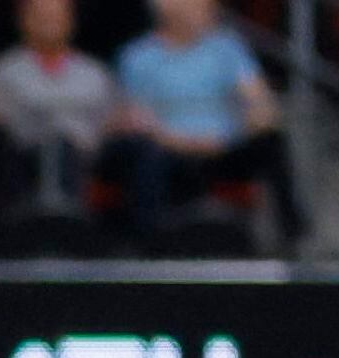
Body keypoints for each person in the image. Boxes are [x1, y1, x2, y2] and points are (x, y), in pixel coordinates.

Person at [100, 0, 293, 245]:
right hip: (165, 148)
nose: (208, 7)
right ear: (166, 7)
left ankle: (294, 240)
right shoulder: (138, 56)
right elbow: (133, 117)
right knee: (143, 152)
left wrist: (244, 127)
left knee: (271, 141)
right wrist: (174, 140)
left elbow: (260, 102)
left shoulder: (228, 48)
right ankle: (151, 243)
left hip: (222, 147)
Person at [0, 0, 115, 209]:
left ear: (70, 22)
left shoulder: (95, 72)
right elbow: (0, 122)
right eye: (41, 17)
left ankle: (72, 223)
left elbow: (109, 121)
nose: (49, 23)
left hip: (87, 155)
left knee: (67, 149)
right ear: (23, 22)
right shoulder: (4, 71)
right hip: (26, 153)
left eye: (56, 17)